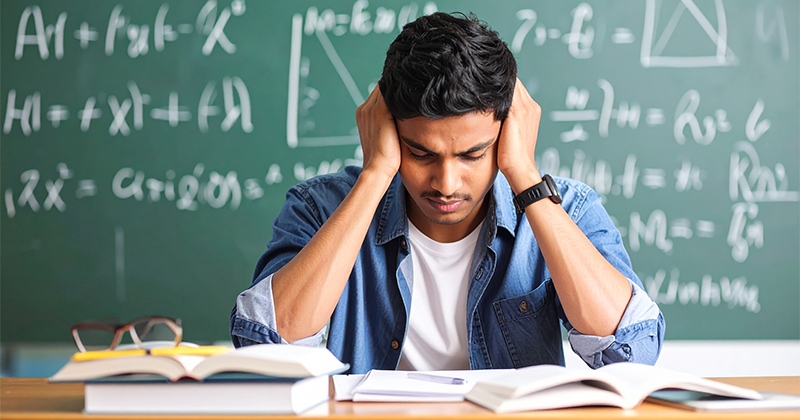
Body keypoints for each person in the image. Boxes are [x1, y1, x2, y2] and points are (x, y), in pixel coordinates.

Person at [230, 12, 664, 373]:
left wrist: (526, 177)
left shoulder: (566, 210)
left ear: (508, 131)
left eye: (473, 155)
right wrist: (376, 173)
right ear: (388, 129)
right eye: (421, 153)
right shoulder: (318, 208)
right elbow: (264, 351)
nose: (446, 184)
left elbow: (632, 353)